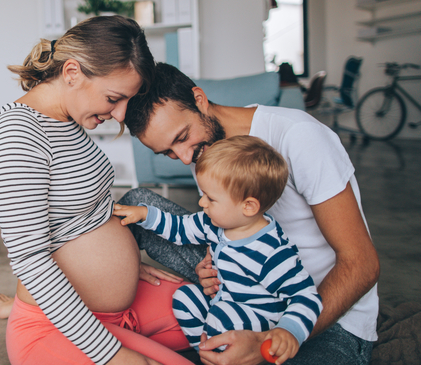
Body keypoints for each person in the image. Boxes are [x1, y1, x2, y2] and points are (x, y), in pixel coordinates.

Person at [118, 62, 380, 365]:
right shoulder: (203, 148)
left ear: (200, 100)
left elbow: (362, 264)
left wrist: (272, 340)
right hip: (243, 288)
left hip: (322, 313)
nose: (185, 158)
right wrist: (209, 258)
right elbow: (225, 224)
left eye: (181, 137)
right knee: (135, 203)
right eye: (168, 153)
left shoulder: (298, 136)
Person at [0, 17, 195, 365]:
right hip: (55, 326)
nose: (121, 114)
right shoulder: (17, 137)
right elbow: (30, 260)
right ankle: (22, 317)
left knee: (220, 322)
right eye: (114, 98)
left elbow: (82, 212)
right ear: (71, 73)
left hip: (114, 305)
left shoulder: (65, 118)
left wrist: (119, 267)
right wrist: (112, 355)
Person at [114, 136, 323, 364]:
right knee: (184, 298)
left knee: (221, 318)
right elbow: (180, 228)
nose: (202, 203)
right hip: (223, 301)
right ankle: (209, 353)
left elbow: (305, 296)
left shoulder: (271, 252)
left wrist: (289, 331)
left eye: (210, 198)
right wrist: (145, 215)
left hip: (255, 320)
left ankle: (221, 351)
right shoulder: (214, 223)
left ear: (248, 206)